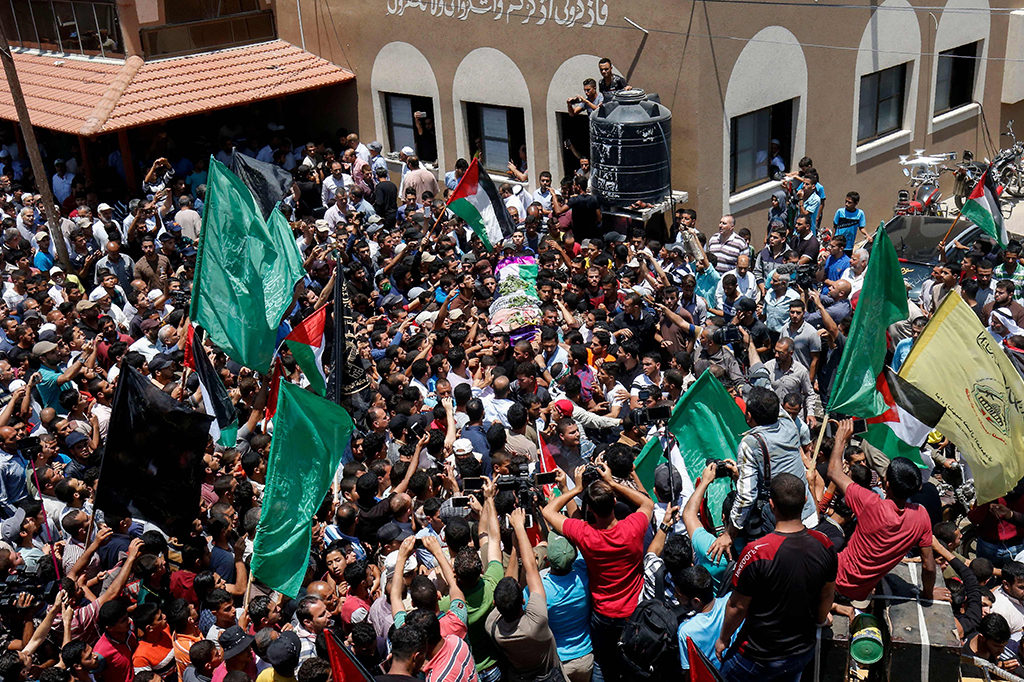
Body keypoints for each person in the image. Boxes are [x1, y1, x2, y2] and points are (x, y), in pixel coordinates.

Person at [715, 474, 837, 682]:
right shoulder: (825, 544)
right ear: (805, 500)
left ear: (771, 505)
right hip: (800, 652)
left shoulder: (756, 552)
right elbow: (827, 594)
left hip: (757, 656)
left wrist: (723, 639)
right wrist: (820, 620)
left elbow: (737, 607)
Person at [542, 462, 654, 682]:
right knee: (634, 665)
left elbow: (548, 511)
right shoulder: (632, 527)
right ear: (614, 502)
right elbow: (647, 503)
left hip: (603, 615)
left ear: (590, 510)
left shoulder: (584, 534)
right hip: (633, 613)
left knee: (603, 664)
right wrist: (612, 483)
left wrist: (575, 489)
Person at [486, 508, 564, 682]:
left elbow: (507, 587)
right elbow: (531, 570)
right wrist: (520, 529)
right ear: (523, 600)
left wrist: (514, 548)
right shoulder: (536, 622)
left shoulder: (492, 626)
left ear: (496, 605)